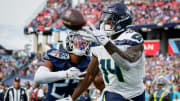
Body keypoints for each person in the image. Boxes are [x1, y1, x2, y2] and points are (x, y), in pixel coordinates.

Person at [59, 2, 145, 101]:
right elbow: (89, 76)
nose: (105, 23)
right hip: (113, 93)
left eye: (110, 20)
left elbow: (127, 63)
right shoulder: (99, 42)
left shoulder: (133, 38)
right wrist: (71, 98)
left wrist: (106, 43)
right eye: (104, 19)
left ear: (123, 21)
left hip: (136, 94)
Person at [34, 31, 103, 101]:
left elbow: (98, 82)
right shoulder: (57, 55)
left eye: (85, 41)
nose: (81, 42)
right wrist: (65, 74)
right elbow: (38, 77)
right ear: (70, 41)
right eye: (78, 39)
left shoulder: (89, 62)